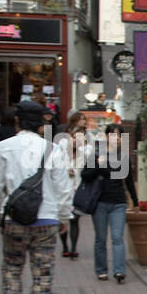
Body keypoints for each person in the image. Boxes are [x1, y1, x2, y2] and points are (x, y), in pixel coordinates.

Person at [0, 100, 73, 294]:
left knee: (12, 266)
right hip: (46, 218)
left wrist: (1, 205)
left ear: (17, 121)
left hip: (14, 218)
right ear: (41, 123)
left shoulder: (3, 147)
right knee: (42, 271)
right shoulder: (52, 149)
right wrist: (64, 215)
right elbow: (63, 187)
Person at [84, 121, 137, 282]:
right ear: (106, 137)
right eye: (113, 135)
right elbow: (85, 176)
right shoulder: (96, 155)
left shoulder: (124, 158)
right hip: (99, 202)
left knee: (117, 237)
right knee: (101, 238)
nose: (117, 139)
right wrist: (99, 166)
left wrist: (135, 202)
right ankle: (101, 270)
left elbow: (129, 182)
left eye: (120, 136)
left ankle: (119, 271)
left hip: (119, 202)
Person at [58, 110, 88, 259]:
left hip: (77, 188)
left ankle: (74, 248)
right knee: (63, 219)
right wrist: (66, 168)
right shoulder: (62, 147)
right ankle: (65, 246)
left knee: (75, 219)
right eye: (74, 137)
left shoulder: (84, 151)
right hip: (64, 187)